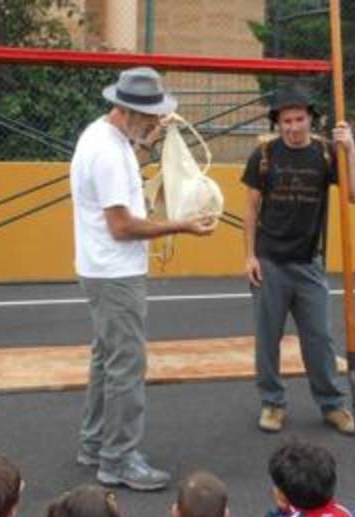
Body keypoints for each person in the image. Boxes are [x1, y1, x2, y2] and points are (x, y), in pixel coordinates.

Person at [71, 66, 217, 492]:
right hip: (116, 272)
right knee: (127, 366)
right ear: (126, 110)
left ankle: (95, 443)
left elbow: (119, 184)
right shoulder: (109, 152)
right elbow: (122, 226)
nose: (155, 122)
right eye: (150, 116)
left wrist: (148, 139)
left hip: (100, 269)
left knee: (107, 359)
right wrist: (181, 226)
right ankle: (117, 460)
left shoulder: (105, 137)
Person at [241, 90, 355, 436]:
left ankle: (332, 405)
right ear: (278, 123)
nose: (293, 128)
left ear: (310, 119)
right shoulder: (264, 155)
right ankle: (272, 403)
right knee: (268, 339)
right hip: (269, 263)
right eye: (286, 122)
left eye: (299, 120)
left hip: (310, 264)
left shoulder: (326, 153)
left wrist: (351, 149)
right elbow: (250, 209)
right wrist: (250, 255)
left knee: (319, 339)